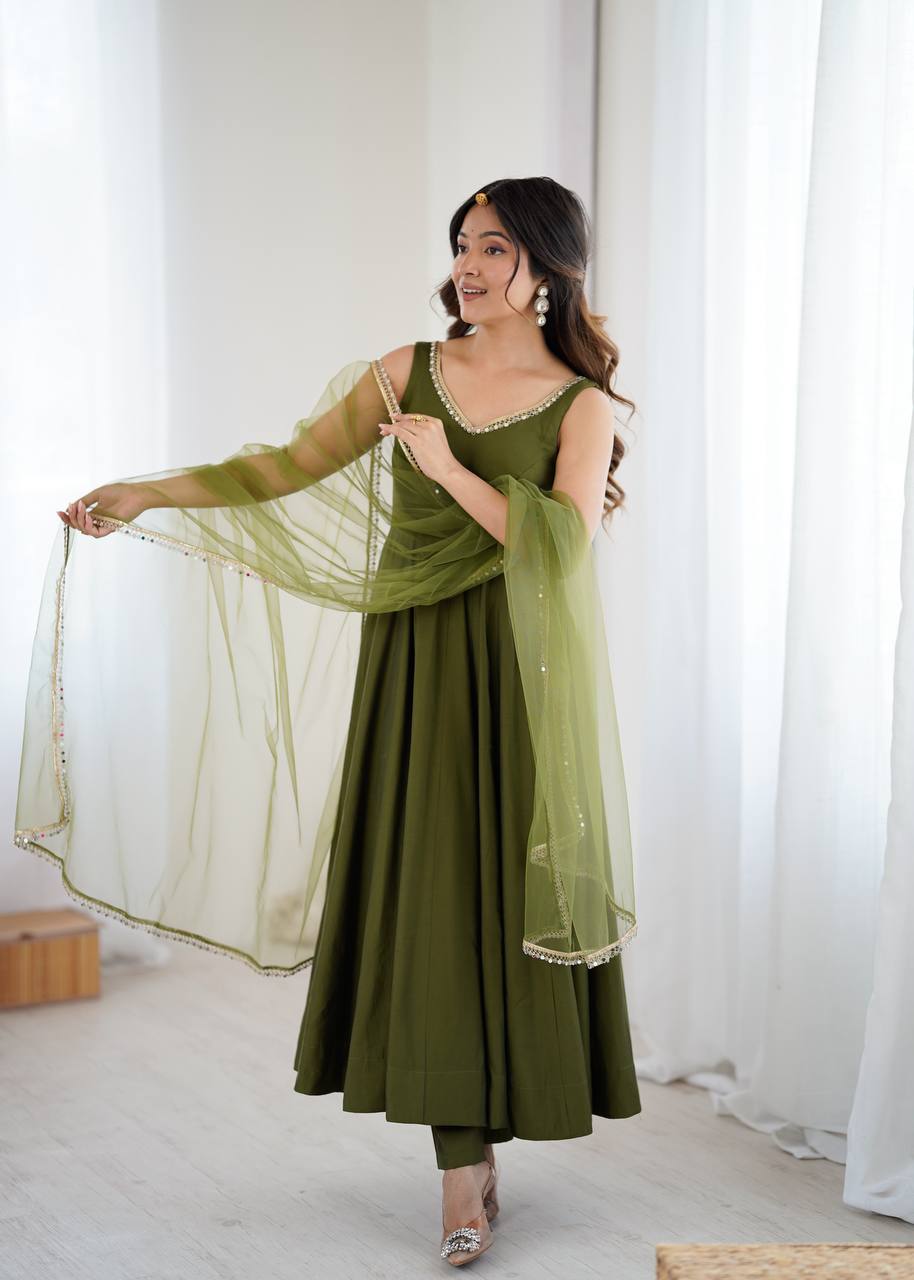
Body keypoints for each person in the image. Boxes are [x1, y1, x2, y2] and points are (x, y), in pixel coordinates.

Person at [44, 176, 640, 1266]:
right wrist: (144, 492)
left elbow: (559, 547)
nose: (467, 266)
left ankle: (482, 1147)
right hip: (413, 666)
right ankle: (459, 1170)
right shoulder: (405, 371)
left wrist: (445, 467)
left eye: (494, 247)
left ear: (548, 265)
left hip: (516, 676)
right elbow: (281, 469)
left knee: (497, 900)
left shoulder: (580, 404)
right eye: (462, 244)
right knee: (428, 900)